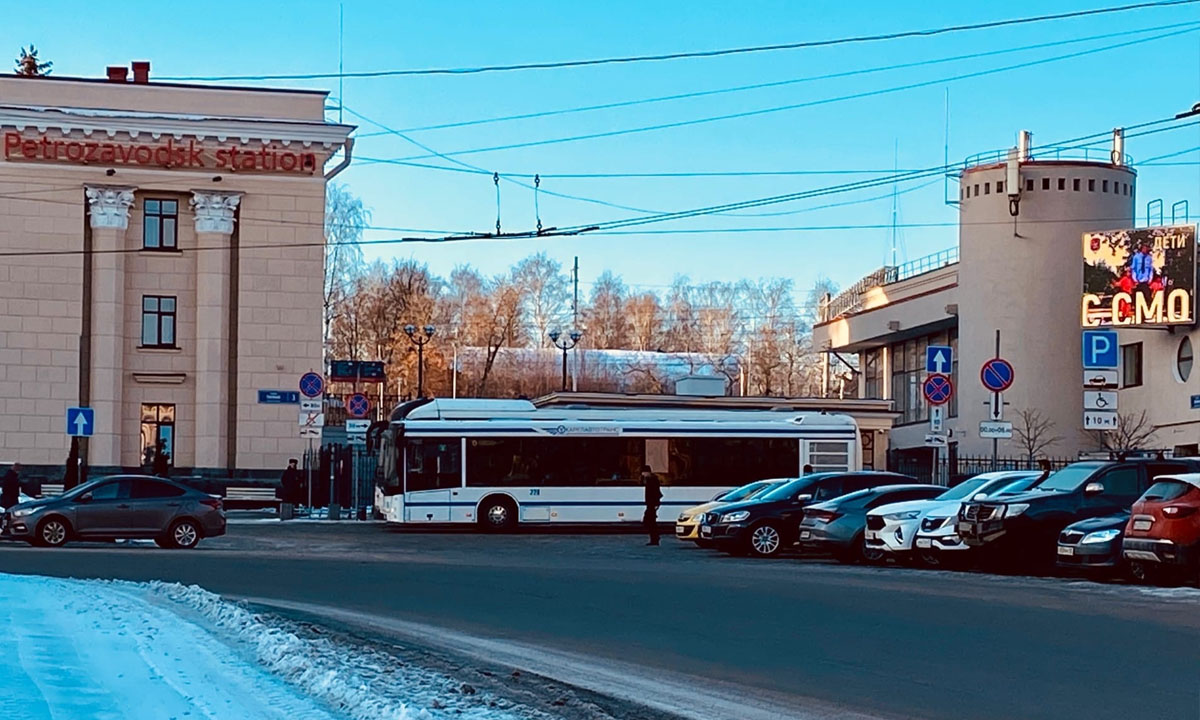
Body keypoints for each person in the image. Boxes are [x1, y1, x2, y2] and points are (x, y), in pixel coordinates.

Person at [641, 465, 661, 546]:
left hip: (652, 503)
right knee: (651, 521)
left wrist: (656, 503)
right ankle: (655, 538)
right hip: (651, 503)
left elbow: (655, 492)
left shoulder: (652, 480)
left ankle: (655, 538)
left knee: (650, 521)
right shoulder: (650, 479)